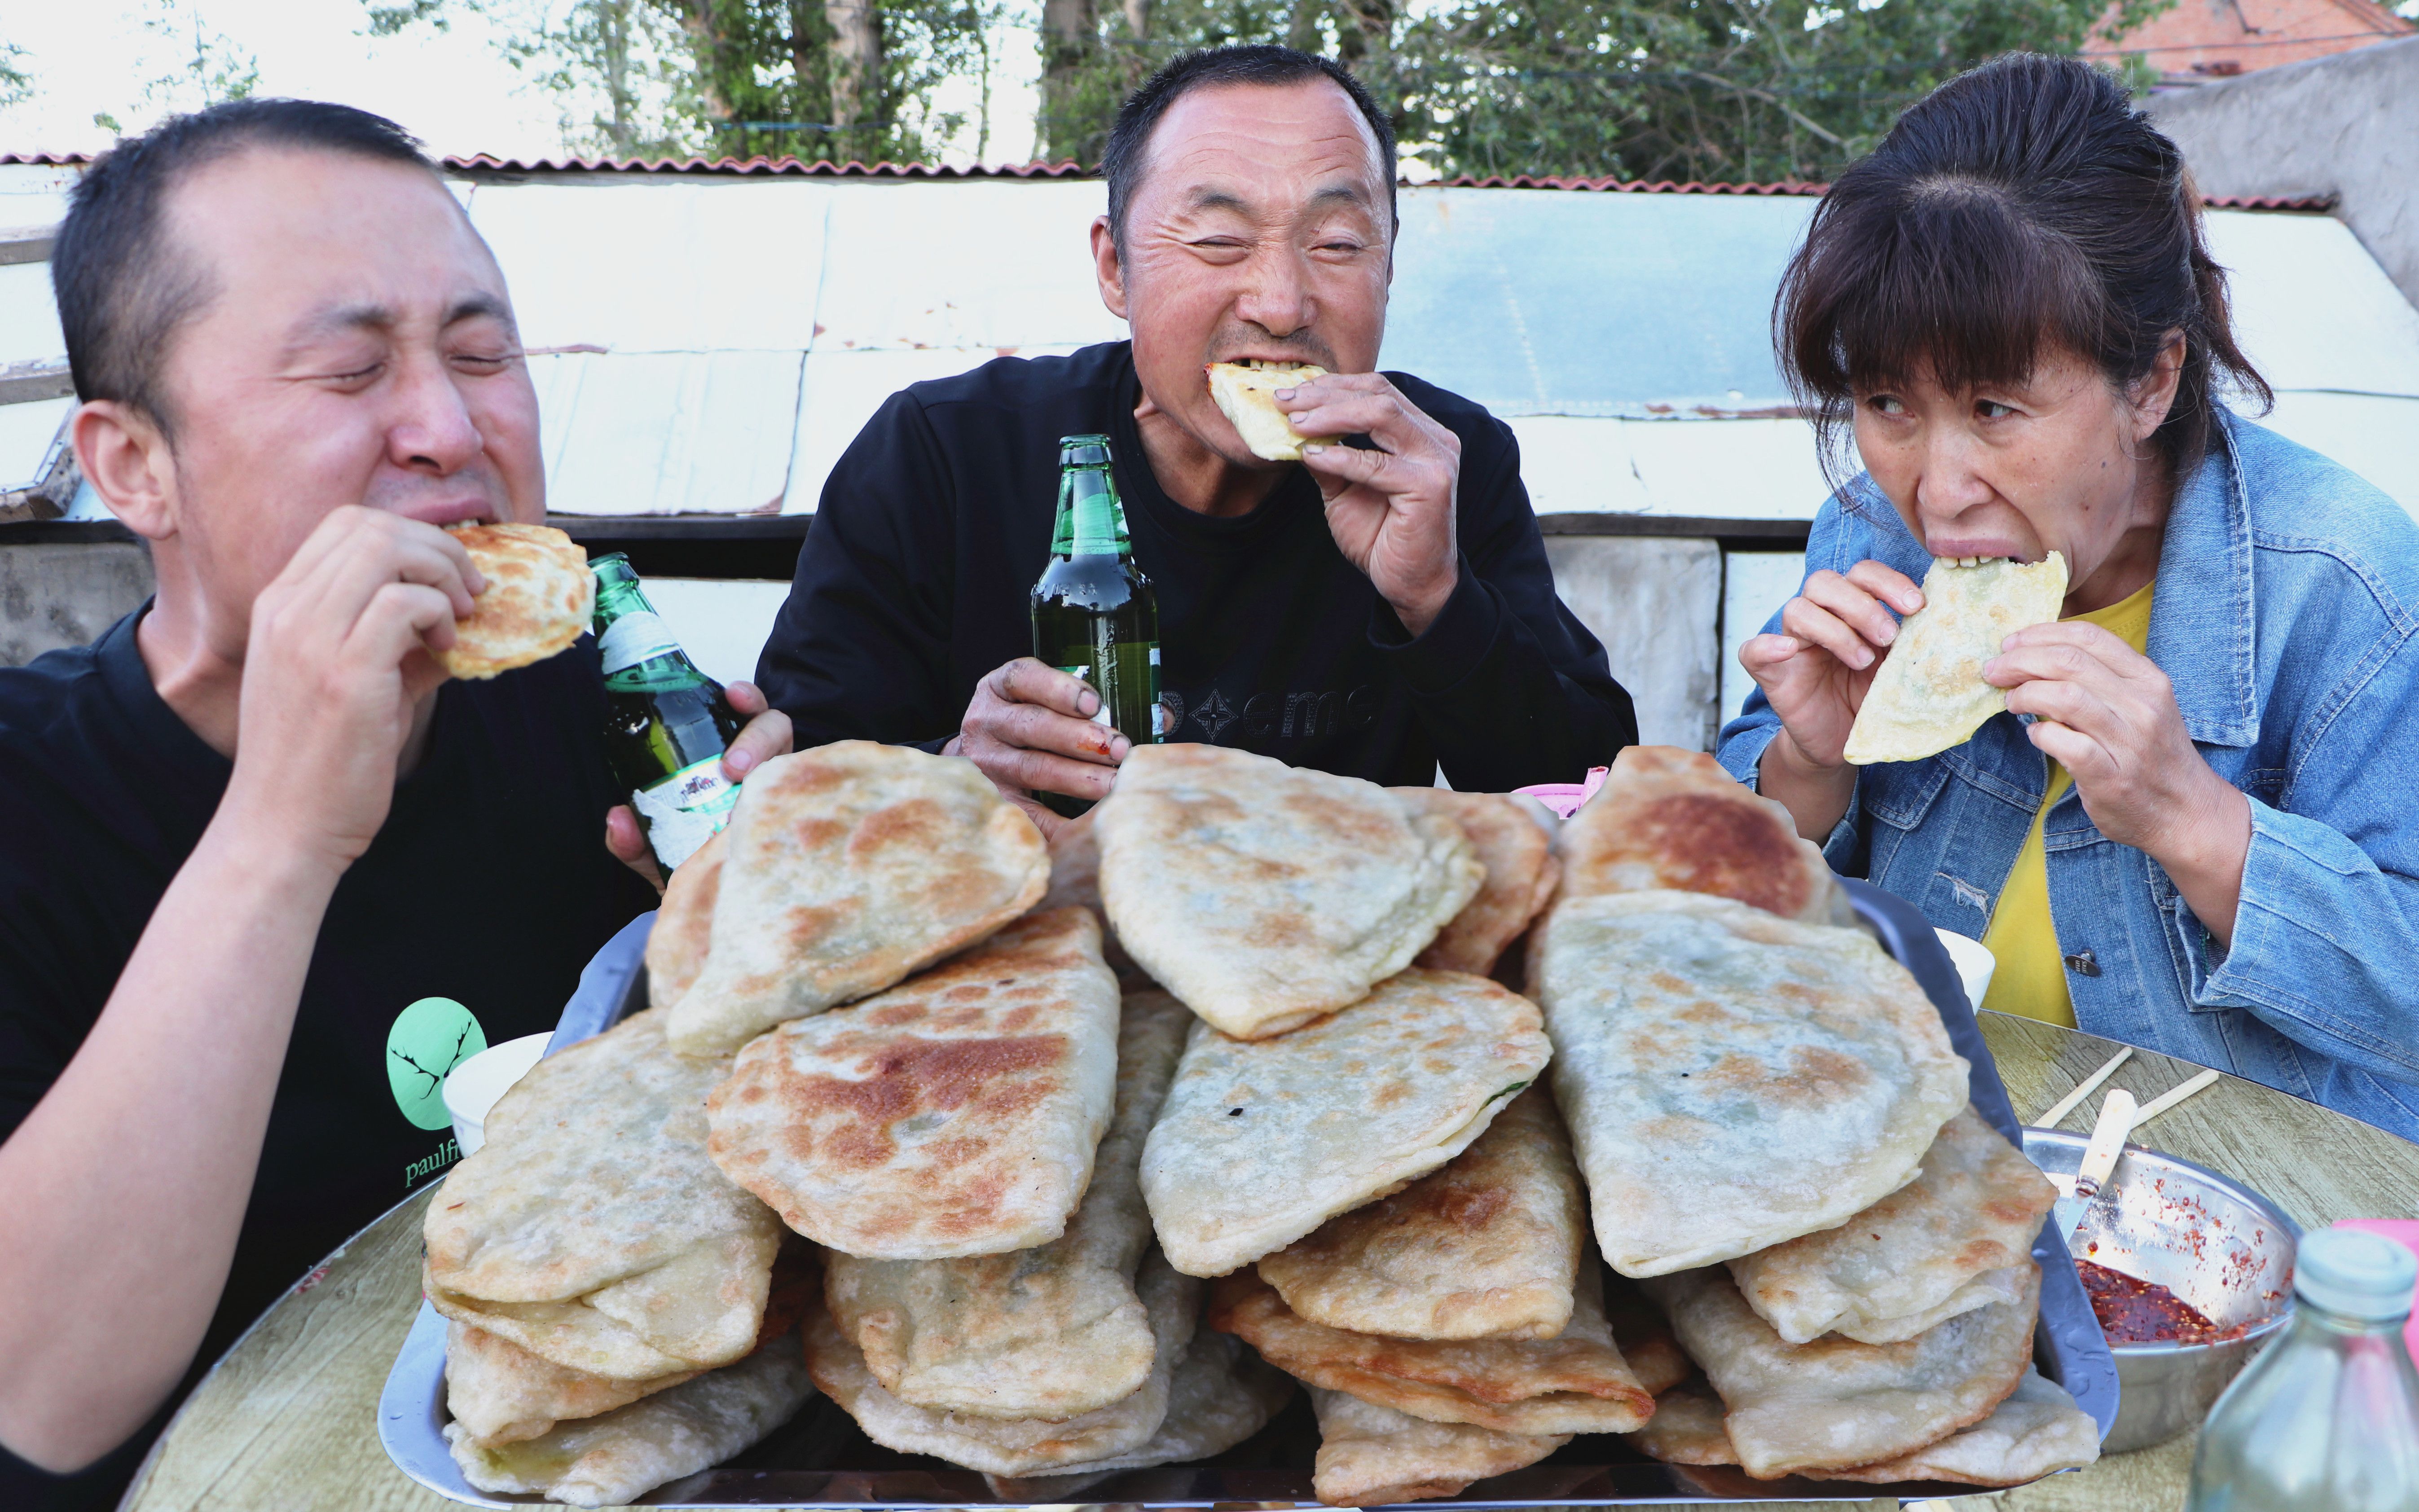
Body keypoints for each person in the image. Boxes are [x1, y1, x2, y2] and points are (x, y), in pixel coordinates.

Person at [0, 101, 789, 1508]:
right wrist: (282, 832)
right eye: (350, 370)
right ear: (133, 465)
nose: (447, 428)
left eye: (482, 355)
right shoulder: (31, 795)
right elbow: (40, 1401)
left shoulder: (575, 696)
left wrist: (771, 897)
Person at [1721, 54, 2419, 1140]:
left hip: (2229, 1211)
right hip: (1924, 1149)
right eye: (1888, 401)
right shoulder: (1869, 534)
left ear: (2152, 379)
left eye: (1996, 407)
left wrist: (2200, 822)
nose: (1938, 491)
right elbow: (1733, 887)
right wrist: (1806, 766)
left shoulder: (2340, 585)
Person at [756, 45, 1635, 828]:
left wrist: (1438, 599)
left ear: (1390, 266)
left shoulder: (1443, 461)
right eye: (1219, 240)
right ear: (1114, 267)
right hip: (1020, 971)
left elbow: (1585, 796)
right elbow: (794, 787)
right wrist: (953, 777)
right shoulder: (942, 456)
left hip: (1327, 974)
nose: (1282, 305)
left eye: (1337, 243)